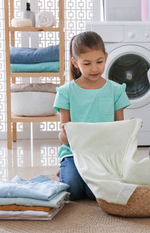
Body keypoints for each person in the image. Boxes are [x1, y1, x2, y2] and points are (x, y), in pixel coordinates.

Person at [53, 31, 130, 201]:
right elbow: (63, 139)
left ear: (106, 57)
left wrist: (128, 129)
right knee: (72, 191)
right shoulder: (66, 92)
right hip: (74, 152)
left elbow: (119, 130)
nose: (94, 68)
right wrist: (66, 133)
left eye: (99, 62)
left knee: (94, 193)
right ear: (75, 62)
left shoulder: (116, 91)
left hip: (104, 154)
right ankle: (65, 171)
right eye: (87, 63)